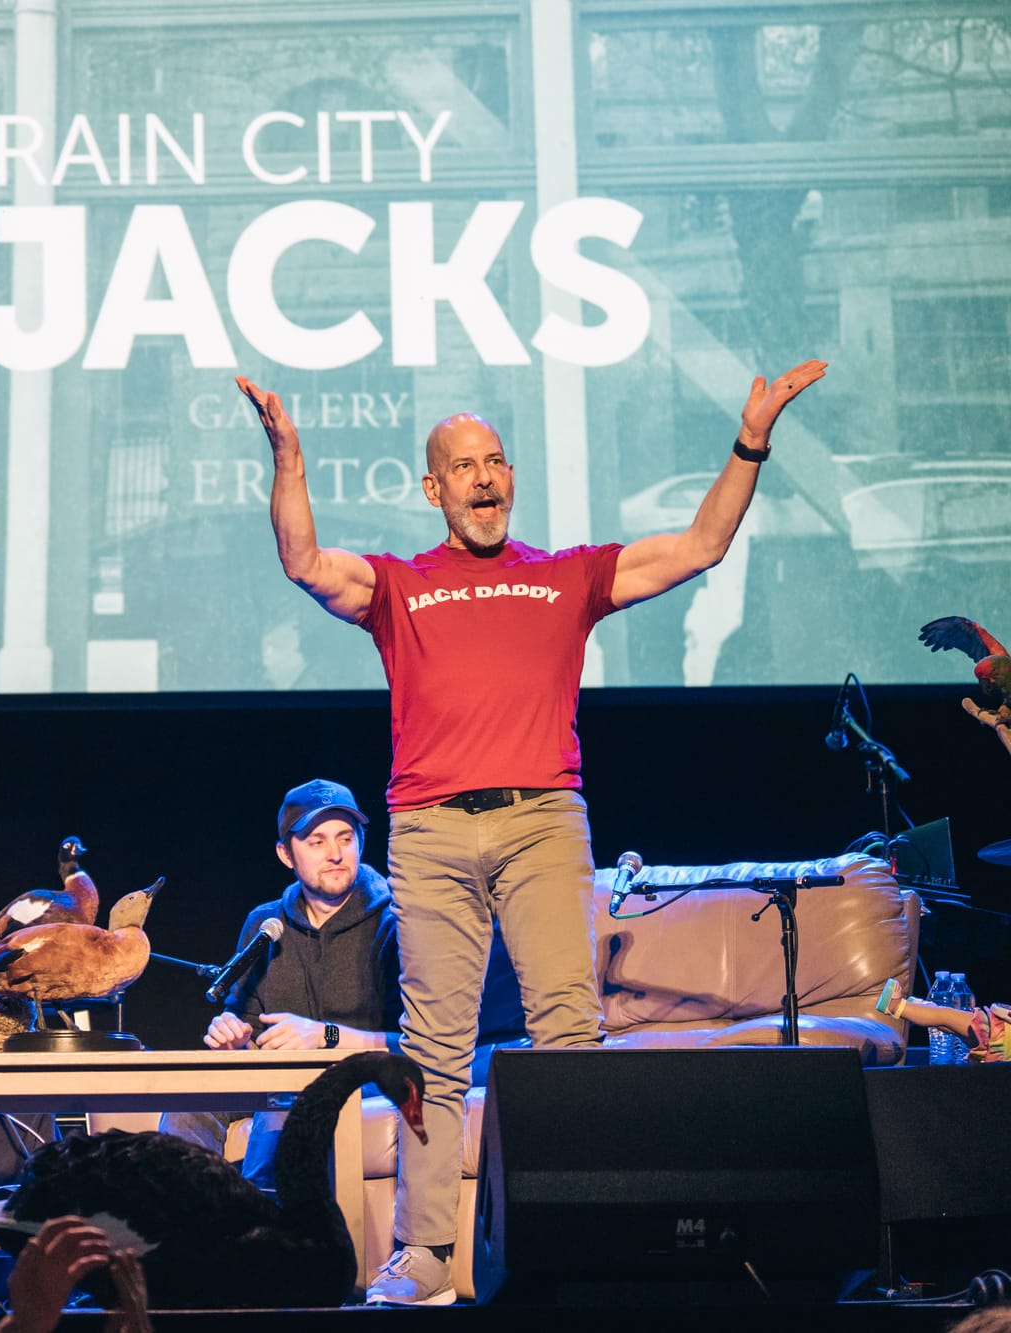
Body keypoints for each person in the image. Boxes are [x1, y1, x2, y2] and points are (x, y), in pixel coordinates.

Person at [239, 358, 827, 1304]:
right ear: (434, 489)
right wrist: (290, 460)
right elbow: (305, 562)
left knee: (566, 1030)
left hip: (543, 820)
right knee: (434, 1045)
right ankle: (425, 1255)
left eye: (496, 461)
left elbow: (701, 546)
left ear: (510, 477)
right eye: (464, 466)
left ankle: (579, 1237)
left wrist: (750, 439)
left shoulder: (564, 576)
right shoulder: (399, 585)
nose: (484, 478)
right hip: (430, 830)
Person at [160, 778, 400, 1188]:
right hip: (272, 1079)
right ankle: (185, 1216)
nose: (336, 853)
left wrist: (325, 1035)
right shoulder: (265, 923)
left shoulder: (395, 921)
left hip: (365, 1080)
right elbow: (245, 1023)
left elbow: (416, 1043)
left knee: (287, 1107)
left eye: (346, 838)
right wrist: (233, 1037)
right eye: (317, 841)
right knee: (190, 1098)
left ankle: (265, 1222)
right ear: (286, 854)